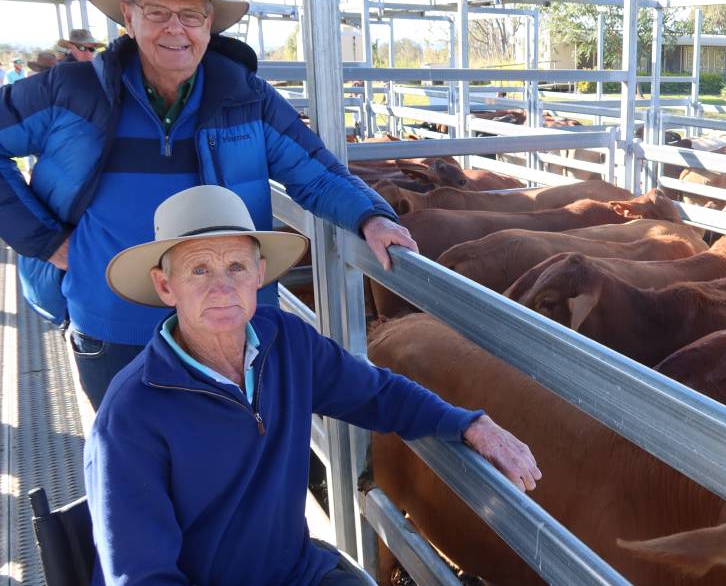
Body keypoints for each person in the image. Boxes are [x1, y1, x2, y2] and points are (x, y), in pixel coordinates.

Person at [0, 0, 416, 410]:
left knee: (231, 458)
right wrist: (46, 241)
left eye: (191, 15)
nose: (174, 29)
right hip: (112, 327)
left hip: (227, 326)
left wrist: (371, 217)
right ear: (129, 17)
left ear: (209, 23)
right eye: (157, 11)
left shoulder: (247, 97)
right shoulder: (70, 91)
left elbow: (316, 172)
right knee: (135, 463)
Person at [85, 185, 542, 585]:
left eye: (237, 267)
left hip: (295, 572)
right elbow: (142, 576)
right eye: (199, 270)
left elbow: (377, 393)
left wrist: (470, 424)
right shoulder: (131, 414)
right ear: (166, 287)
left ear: (259, 275)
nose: (222, 288)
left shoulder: (285, 341)